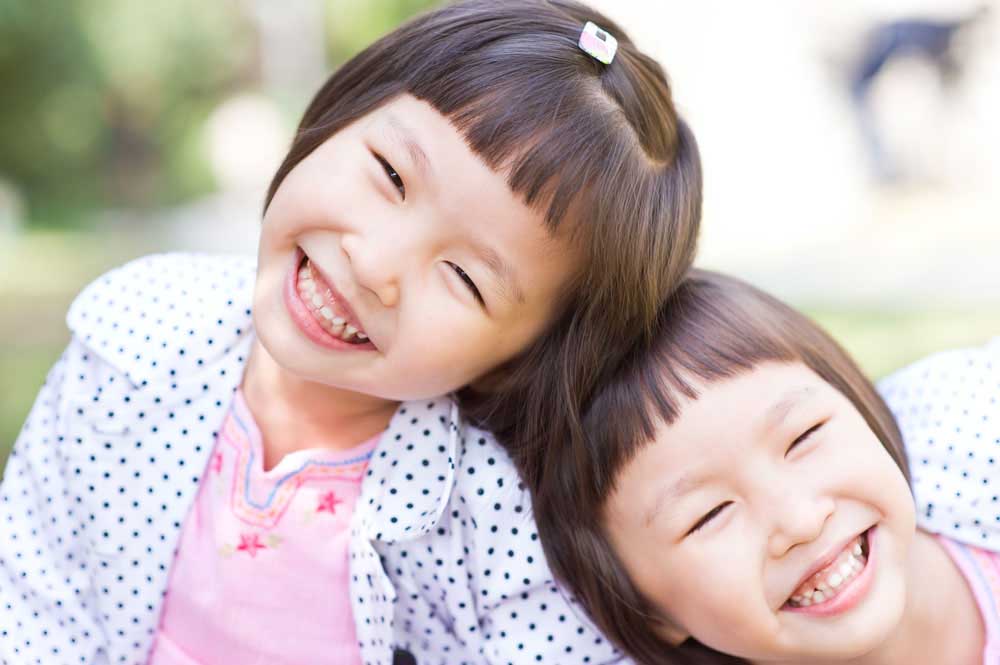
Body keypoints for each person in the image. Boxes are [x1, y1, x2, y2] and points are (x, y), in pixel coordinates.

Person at [0, 1, 703, 664]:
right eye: (391, 174)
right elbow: (32, 594)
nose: (374, 265)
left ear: (521, 358)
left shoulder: (490, 513)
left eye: (463, 277)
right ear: (338, 117)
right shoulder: (137, 338)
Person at [528, 269, 999, 664]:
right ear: (649, 611)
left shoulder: (978, 439)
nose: (800, 521)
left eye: (803, 437)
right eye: (708, 515)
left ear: (860, 405)